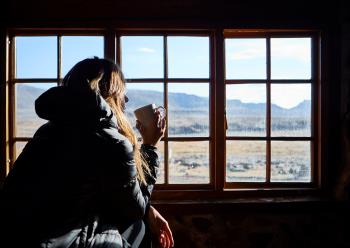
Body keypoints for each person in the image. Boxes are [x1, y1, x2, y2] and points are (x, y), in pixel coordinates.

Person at [0, 58, 174, 248]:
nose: (125, 101)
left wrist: (148, 208)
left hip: (17, 237)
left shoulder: (48, 130)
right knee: (139, 227)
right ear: (110, 94)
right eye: (122, 93)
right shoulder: (110, 141)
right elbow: (132, 210)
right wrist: (150, 146)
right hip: (61, 242)